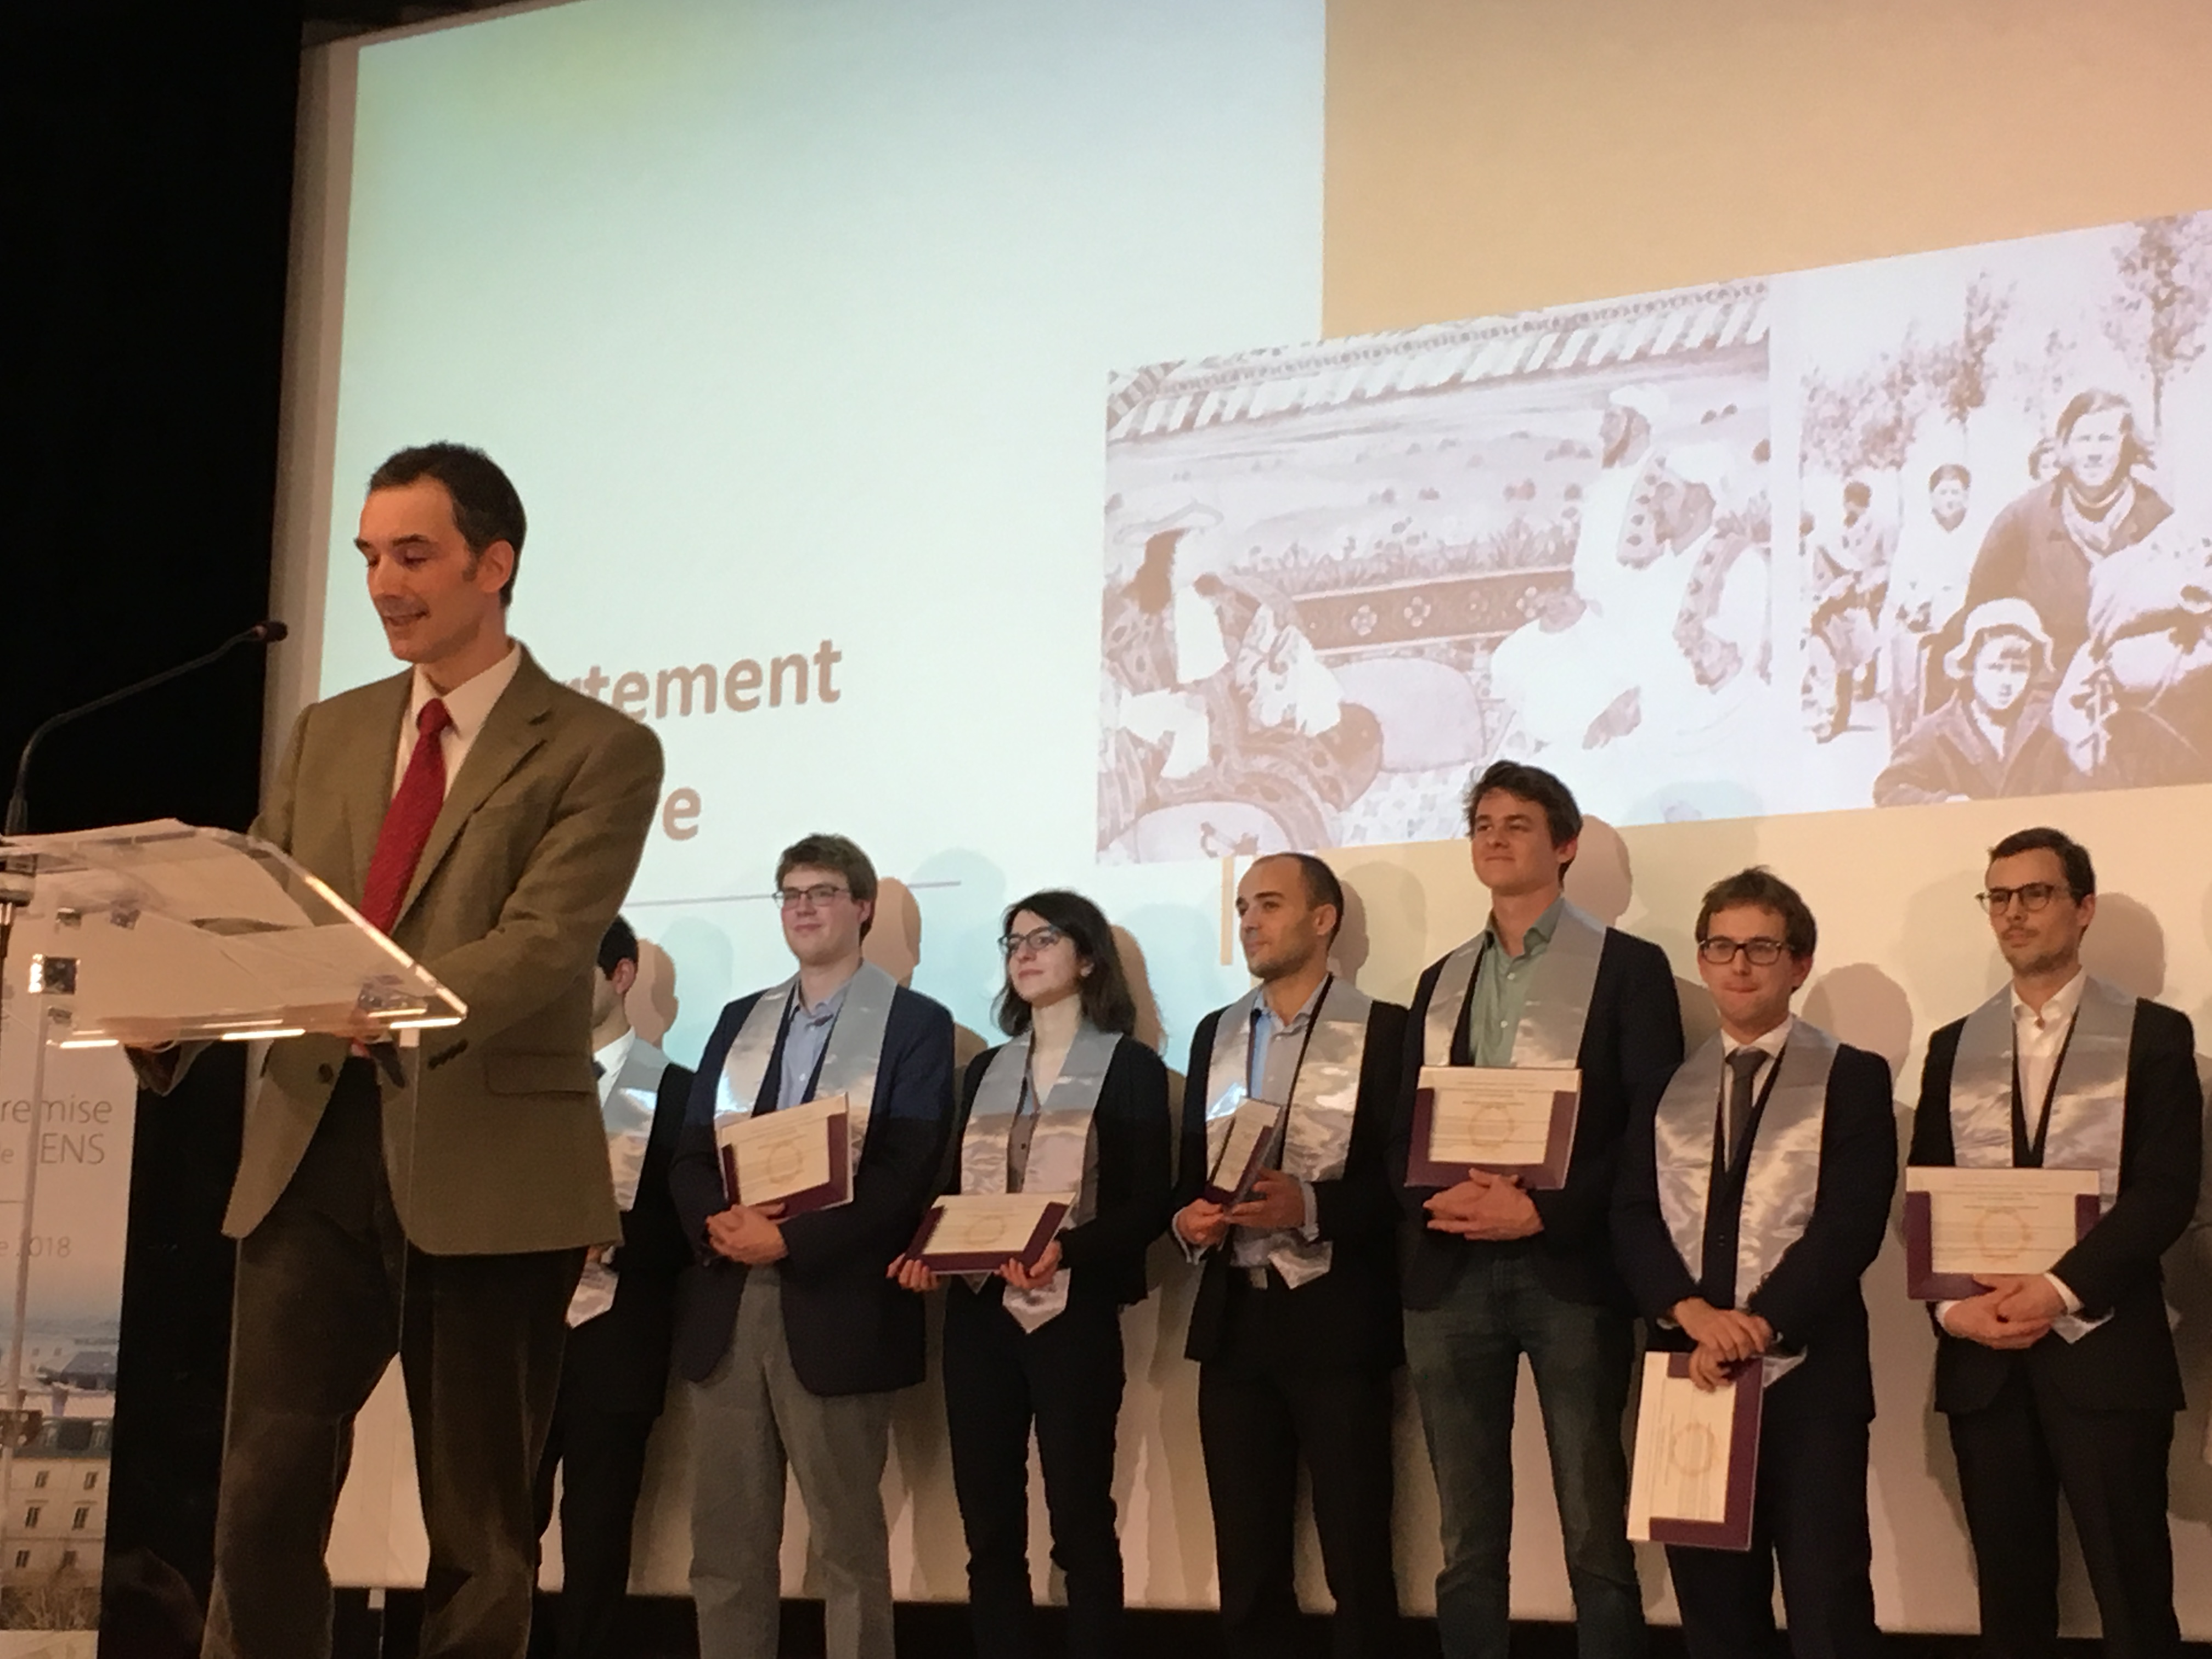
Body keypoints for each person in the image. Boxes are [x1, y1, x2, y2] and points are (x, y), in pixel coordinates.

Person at [129, 442, 665, 1659]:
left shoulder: (600, 747)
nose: (382, 583)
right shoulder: (330, 730)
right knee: (260, 1498)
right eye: (369, 555)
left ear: (494, 563)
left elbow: (544, 942)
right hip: (310, 1147)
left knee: (481, 1528)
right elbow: (255, 911)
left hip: (489, 1161)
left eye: (412, 554)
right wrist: (170, 1003)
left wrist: (381, 999)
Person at [1390, 761, 1683, 1659]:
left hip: (1570, 1265)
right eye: (1482, 823)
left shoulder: (1629, 968)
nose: (1495, 837)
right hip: (1450, 1269)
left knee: (1594, 1523)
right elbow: (1403, 1126)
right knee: (1465, 1533)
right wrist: (1439, 1197)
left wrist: (1545, 1212)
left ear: (1566, 844)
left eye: (1517, 823)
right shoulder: (1439, 978)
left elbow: (1652, 1126)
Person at [1909, 827, 2200, 1657]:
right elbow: (1928, 1193)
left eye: (2035, 893)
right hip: (1986, 1358)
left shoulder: (2154, 1035)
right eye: (1998, 896)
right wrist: (1953, 1312)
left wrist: (2058, 1288)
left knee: (2133, 1597)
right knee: (2011, 1604)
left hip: (2106, 1352)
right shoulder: (1952, 1046)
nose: (2013, 913)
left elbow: (2166, 1192)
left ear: (2083, 908)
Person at [669, 834, 956, 1659]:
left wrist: (790, 1239)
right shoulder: (740, 1019)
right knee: (724, 1546)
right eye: (790, 893)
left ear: (862, 907)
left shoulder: (916, 1024)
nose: (803, 907)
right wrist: (719, 1225)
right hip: (730, 1302)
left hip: (838, 1306)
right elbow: (690, 1156)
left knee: (847, 1547)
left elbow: (905, 1171)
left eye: (822, 892)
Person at [1613, 869, 1895, 1659]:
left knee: (1827, 1604)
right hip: (1691, 1376)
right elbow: (1631, 1215)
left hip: (1812, 1380)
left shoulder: (1852, 1076)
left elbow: (1849, 1224)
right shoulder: (1665, 1088)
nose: (1739, 965)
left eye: (1762, 948)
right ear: (1702, 961)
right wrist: (1693, 1316)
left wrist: (1760, 1324)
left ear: (1799, 964)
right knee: (1715, 1613)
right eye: (1721, 947)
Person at [887, 890, 1172, 1659]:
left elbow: (1150, 1202)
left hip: (1072, 1314)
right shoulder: (985, 1067)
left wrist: (1067, 1251)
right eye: (1013, 941)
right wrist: (927, 1253)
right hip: (980, 1318)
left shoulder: (1131, 1068)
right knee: (989, 1528)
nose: (1025, 953)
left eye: (1045, 939)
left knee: (1080, 1522)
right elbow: (954, 1190)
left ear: (1089, 958)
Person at [1173, 853, 1410, 1659]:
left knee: (1357, 1556)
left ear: (1323, 918)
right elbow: (1190, 1175)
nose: (1248, 921)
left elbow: (1405, 1182)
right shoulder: (1215, 1032)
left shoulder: (1387, 1029)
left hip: (1338, 1319)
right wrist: (1190, 1221)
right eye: (1242, 906)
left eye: (1269, 904)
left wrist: (1309, 1206)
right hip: (1236, 1320)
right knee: (1246, 1562)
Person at [532, 916, 694, 1659]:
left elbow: (693, 1226)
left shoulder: (679, 1089)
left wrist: (618, 1236)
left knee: (597, 1539)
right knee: (497, 1531)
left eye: (579, 973)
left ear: (621, 976)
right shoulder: (528, 1083)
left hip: (617, 1339)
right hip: (523, 1341)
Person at [1958, 390, 2171, 679]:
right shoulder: (2023, 518)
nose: (2094, 453)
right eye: (2084, 439)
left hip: (2133, 687)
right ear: (2065, 446)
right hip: (2044, 686)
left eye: (2106, 439)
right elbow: (1980, 611)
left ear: (2126, 444)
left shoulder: (2156, 518)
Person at [1872, 599, 2075, 805]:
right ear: (1970, 665)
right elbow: (1888, 790)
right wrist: (1942, 803)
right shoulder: (1940, 730)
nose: (2006, 682)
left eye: (2019, 669)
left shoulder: (2049, 724)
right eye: (1994, 668)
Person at [1884, 462, 1978, 738]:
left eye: (1955, 492)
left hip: (1961, 626)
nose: (1949, 499)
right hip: (1918, 627)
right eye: (1943, 492)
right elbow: (1898, 583)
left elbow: (1983, 579)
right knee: (1910, 696)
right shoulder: (1915, 533)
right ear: (1931, 496)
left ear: (1966, 495)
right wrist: (1915, 606)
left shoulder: (1977, 533)